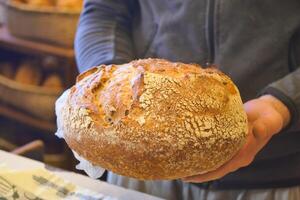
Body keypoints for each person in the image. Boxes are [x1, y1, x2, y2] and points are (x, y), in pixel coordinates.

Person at [74, 1, 300, 199]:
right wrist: (114, 83)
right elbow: (104, 12)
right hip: (140, 169)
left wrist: (284, 101)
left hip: (274, 175)